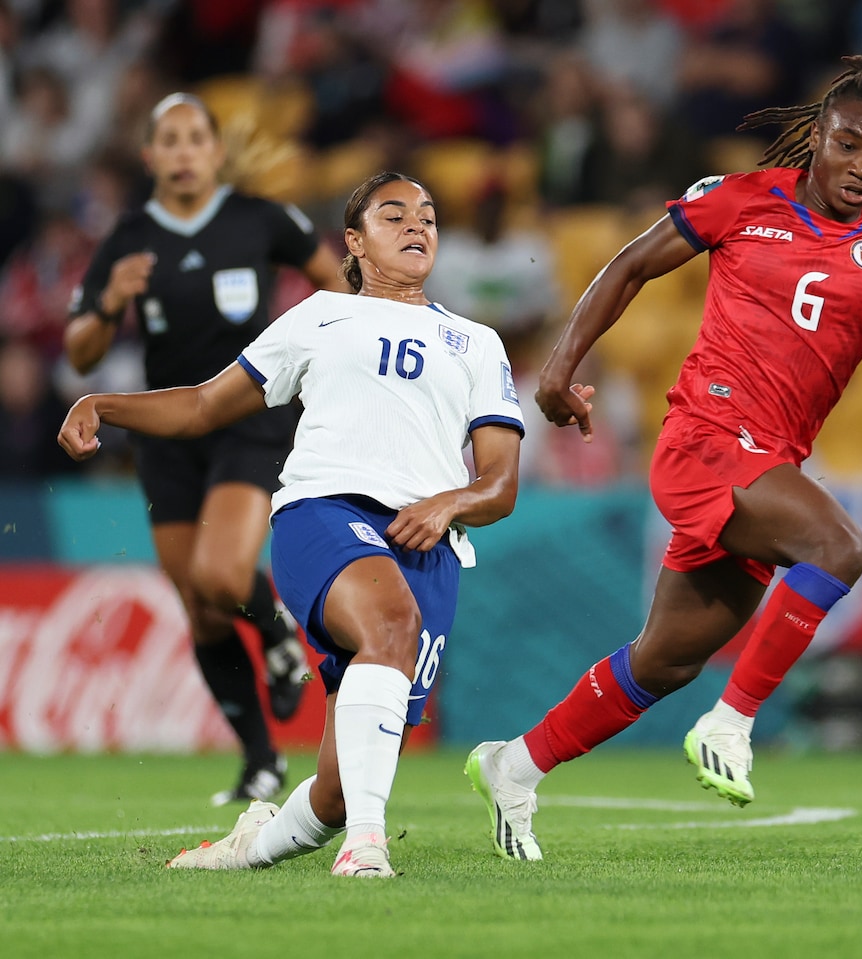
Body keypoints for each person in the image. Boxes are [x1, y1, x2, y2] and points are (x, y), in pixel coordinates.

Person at [465, 53, 862, 861]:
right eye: (850, 145)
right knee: (839, 546)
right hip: (705, 440)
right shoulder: (742, 200)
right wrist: (557, 368)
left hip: (768, 462)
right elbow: (630, 265)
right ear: (818, 138)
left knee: (664, 660)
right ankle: (734, 721)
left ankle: (514, 765)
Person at [57, 171, 527, 878]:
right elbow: (204, 406)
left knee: (339, 786)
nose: (415, 226)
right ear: (355, 242)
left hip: (427, 543)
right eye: (393, 214)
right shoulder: (320, 316)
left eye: (427, 216)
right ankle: (367, 849)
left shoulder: (478, 342)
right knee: (389, 622)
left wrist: (451, 503)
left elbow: (499, 482)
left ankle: (246, 850)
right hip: (324, 514)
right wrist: (104, 403)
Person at [62, 92, 348, 806]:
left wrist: (327, 353)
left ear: (216, 152)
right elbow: (79, 352)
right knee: (199, 602)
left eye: (197, 137)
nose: (185, 150)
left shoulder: (260, 218)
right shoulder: (128, 237)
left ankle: (280, 636)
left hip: (249, 413)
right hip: (166, 429)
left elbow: (338, 281)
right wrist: (107, 303)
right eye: (171, 139)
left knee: (223, 573)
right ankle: (260, 762)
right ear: (151, 155)